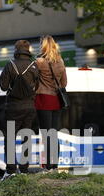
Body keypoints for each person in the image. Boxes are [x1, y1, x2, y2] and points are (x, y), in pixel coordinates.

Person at [0, 40, 39, 181]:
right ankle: (24, 169)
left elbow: (3, 87)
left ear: (16, 50)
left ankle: (11, 170)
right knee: (26, 138)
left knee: (10, 139)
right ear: (28, 50)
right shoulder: (34, 66)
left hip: (13, 107)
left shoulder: (10, 65)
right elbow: (37, 86)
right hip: (29, 107)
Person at [35, 35, 67, 171]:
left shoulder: (38, 62)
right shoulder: (60, 61)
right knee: (54, 134)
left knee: (46, 134)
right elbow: (64, 83)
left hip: (43, 100)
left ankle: (48, 166)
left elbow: (33, 81)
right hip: (56, 101)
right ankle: (55, 165)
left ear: (43, 46)